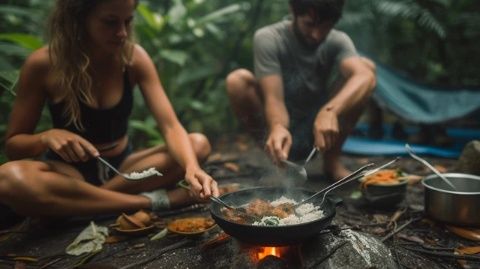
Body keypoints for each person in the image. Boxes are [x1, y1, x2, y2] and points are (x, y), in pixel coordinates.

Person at [0, 0, 219, 218]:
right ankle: (153, 201)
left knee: (197, 145)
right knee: (9, 178)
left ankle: (82, 204)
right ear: (79, 19)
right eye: (110, 22)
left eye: (128, 21)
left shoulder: (134, 57)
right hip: (69, 174)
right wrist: (46, 137)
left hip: (124, 171)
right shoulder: (43, 64)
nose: (122, 33)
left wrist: (192, 168)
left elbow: (170, 127)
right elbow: (14, 145)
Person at [226, 0, 376, 181]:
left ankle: (332, 162)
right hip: (278, 122)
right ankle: (279, 161)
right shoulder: (269, 38)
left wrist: (330, 111)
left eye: (325, 26)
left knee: (367, 68)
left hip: (321, 127)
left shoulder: (338, 41)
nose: (316, 34)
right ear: (293, 11)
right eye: (309, 24)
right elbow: (274, 99)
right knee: (237, 80)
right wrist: (278, 127)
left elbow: (365, 76)